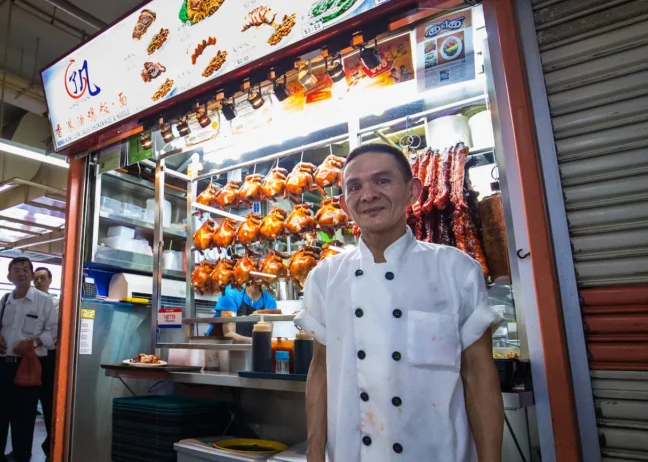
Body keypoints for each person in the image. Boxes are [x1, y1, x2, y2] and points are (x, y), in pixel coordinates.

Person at [297, 143, 503, 462]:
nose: (368, 195)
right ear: (344, 204)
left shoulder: (457, 270)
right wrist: (314, 457)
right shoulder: (325, 278)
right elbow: (320, 370)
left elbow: (479, 374)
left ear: (413, 191)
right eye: (355, 186)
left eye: (382, 181)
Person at [0, 257, 58, 462]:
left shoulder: (44, 301)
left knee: (23, 422)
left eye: (26, 269)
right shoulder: (6, 298)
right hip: (1, 366)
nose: (22, 273)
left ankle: (21, 457)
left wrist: (32, 344)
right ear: (9, 276)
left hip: (28, 368)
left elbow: (53, 333)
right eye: (16, 270)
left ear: (31, 274)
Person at [32, 266, 58, 457]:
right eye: (36, 278)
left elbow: (53, 331)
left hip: (48, 359)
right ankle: (21, 449)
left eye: (43, 278)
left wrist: (33, 341)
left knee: (49, 404)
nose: (39, 281)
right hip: (26, 358)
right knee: (25, 405)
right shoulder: (26, 301)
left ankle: (51, 445)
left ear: (50, 280)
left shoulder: (55, 303)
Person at [208, 281, 278, 343]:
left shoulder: (269, 300)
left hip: (249, 350)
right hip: (219, 347)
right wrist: (256, 343)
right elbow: (229, 333)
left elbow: (266, 337)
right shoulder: (232, 292)